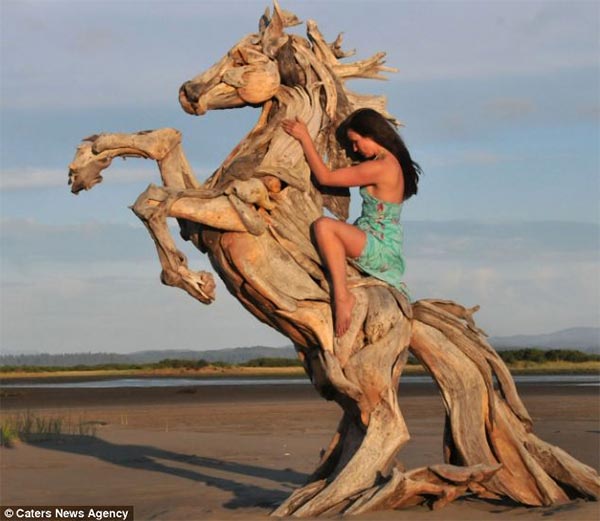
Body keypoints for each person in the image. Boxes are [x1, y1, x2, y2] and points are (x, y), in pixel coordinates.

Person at [282, 108, 421, 337]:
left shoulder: (381, 167)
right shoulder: (388, 162)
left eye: (356, 142)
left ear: (372, 134)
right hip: (377, 237)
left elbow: (325, 177)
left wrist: (304, 138)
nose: (354, 149)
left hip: (380, 245)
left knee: (324, 226)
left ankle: (342, 296)